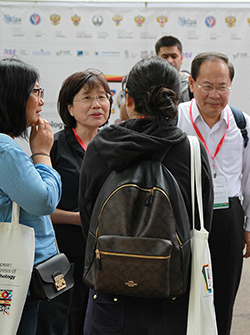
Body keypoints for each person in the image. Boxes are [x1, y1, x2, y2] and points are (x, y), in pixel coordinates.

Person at [78, 57, 213, 334]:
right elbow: (201, 223)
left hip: (109, 293)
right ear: (174, 100)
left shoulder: (101, 147)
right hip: (172, 294)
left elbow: (88, 218)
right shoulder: (191, 151)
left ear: (128, 99)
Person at [0, 58, 62, 335]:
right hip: (13, 270)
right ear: (15, 95)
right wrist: (42, 152)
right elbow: (44, 201)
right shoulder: (3, 147)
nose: (41, 101)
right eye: (36, 92)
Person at [177, 52, 250, 335]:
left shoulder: (242, 124)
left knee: (223, 294)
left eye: (222, 86)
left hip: (227, 217)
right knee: (182, 292)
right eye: (207, 86)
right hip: (184, 214)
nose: (214, 95)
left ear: (230, 86)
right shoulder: (176, 119)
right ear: (192, 84)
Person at [36, 69, 112, 335]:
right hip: (64, 255)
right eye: (87, 97)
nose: (97, 104)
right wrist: (78, 218)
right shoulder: (53, 147)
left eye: (103, 97)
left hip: (108, 255)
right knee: (66, 321)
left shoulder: (116, 145)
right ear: (69, 107)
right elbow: (37, 207)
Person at [155, 35, 191, 102]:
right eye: (165, 57)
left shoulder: (190, 83)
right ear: (157, 59)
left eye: (174, 56)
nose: (170, 61)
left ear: (181, 58)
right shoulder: (151, 84)